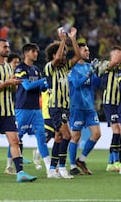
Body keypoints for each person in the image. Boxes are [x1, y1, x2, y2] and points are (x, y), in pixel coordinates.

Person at [0, 39, 37, 182]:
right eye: (5, 47)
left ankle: (20, 173)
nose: (7, 49)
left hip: (8, 112)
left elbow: (11, 89)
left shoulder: (9, 67)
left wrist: (14, 84)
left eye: (8, 47)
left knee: (15, 141)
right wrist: (7, 82)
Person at [5, 43, 50, 177]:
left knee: (42, 137)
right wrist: (43, 81)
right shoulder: (20, 69)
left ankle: (49, 169)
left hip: (36, 109)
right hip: (22, 109)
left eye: (36, 51)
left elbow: (41, 89)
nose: (36, 54)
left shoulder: (36, 69)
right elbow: (27, 87)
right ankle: (9, 166)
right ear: (26, 54)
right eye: (33, 51)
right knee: (16, 138)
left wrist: (45, 85)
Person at [43, 27, 81, 179]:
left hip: (65, 107)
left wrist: (72, 38)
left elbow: (78, 56)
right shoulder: (49, 68)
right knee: (67, 135)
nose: (64, 56)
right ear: (53, 54)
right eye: (62, 53)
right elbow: (57, 59)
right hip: (55, 107)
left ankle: (52, 169)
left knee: (59, 137)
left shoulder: (66, 67)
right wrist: (63, 40)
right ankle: (63, 168)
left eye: (66, 53)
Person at [96, 37, 121, 172]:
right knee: (117, 130)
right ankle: (115, 161)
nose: (118, 57)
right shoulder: (105, 65)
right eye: (115, 54)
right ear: (111, 56)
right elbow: (115, 61)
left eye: (120, 54)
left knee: (120, 131)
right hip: (109, 103)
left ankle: (112, 161)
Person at [68, 43, 102, 175]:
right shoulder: (72, 68)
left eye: (88, 50)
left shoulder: (89, 66)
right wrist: (89, 74)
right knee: (76, 136)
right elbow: (76, 84)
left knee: (97, 133)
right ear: (79, 52)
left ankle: (81, 159)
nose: (88, 52)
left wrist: (98, 73)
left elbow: (96, 85)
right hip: (77, 107)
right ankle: (72, 166)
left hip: (89, 107)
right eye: (85, 50)